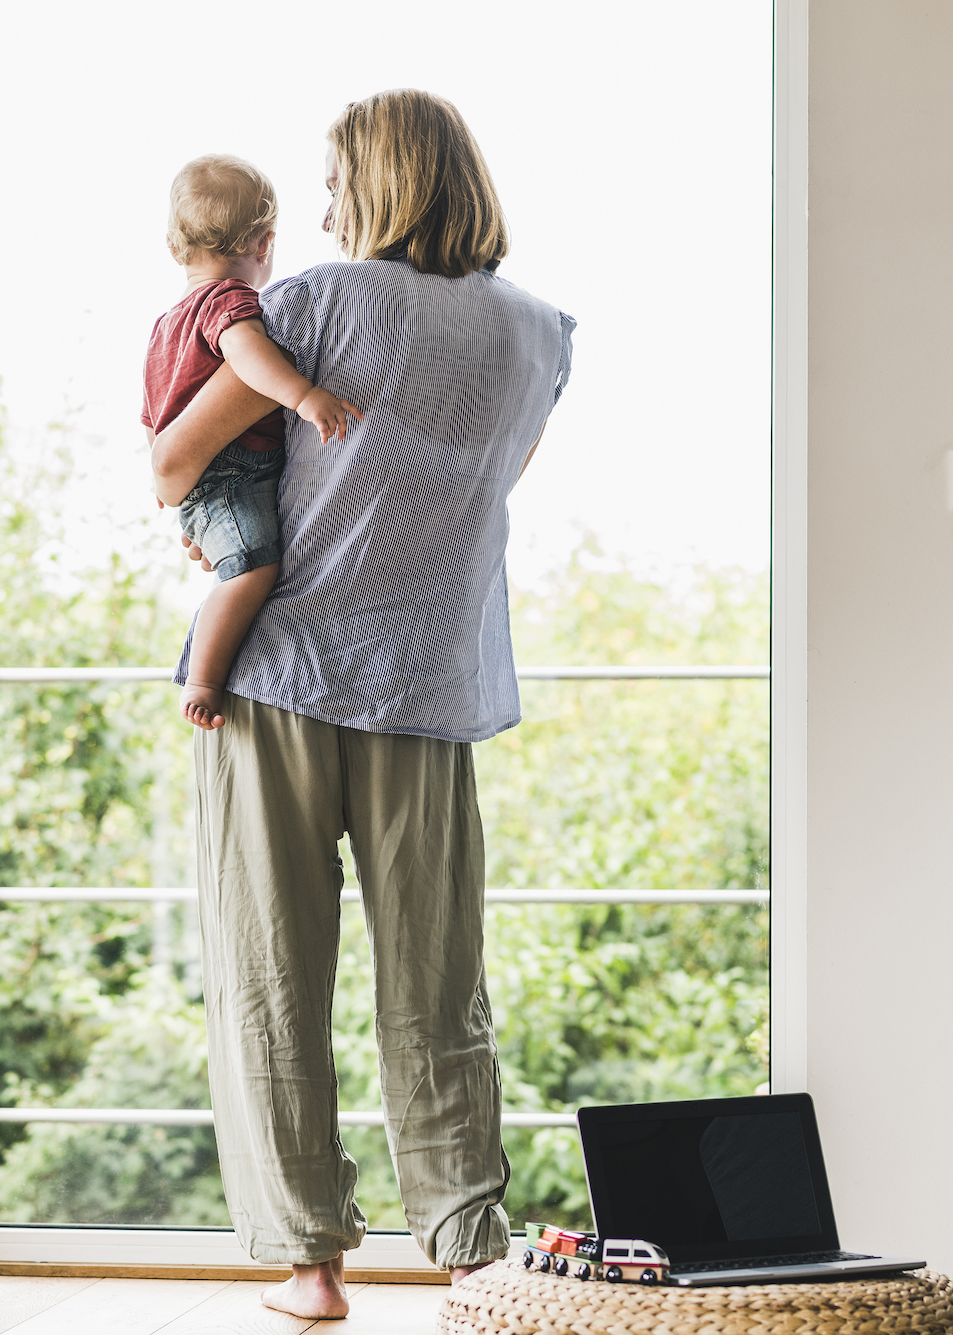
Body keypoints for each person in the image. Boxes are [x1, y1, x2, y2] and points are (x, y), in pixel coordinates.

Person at [148, 90, 574, 1320]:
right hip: (430, 682)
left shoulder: (320, 302)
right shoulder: (540, 334)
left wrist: (213, 528)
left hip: (277, 681)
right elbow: (470, 493)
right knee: (437, 983)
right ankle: (468, 1253)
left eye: (334, 181)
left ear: (380, 181)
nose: (324, 205)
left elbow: (176, 461)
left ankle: (308, 1269)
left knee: (273, 975)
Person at [141, 153, 362, 731]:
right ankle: (204, 680)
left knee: (236, 561)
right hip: (234, 468)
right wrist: (303, 395)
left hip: (197, 475)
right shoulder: (229, 301)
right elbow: (245, 354)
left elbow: (152, 418)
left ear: (174, 247)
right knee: (250, 574)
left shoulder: (166, 326)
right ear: (264, 245)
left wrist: (169, 490)